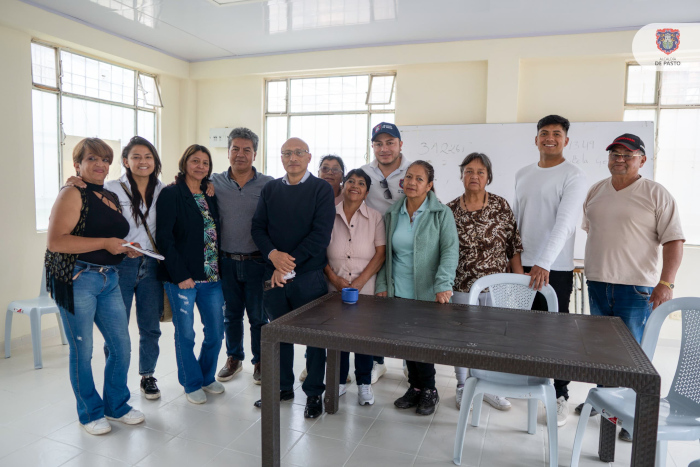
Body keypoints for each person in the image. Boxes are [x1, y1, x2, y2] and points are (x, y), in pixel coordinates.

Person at [576, 134, 684, 441]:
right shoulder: (596, 190)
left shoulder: (655, 193)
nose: (619, 159)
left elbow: (674, 240)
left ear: (642, 160)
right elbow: (595, 233)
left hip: (636, 289)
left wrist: (666, 283)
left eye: (627, 154)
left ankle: (634, 417)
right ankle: (605, 400)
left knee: (633, 356)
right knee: (601, 351)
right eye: (615, 153)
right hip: (597, 283)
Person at [45, 137, 145, 435]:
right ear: (78, 164)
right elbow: (57, 241)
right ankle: (89, 412)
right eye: (92, 159)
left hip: (109, 278)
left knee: (121, 346)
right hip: (79, 279)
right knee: (83, 350)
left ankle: (117, 405)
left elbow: (107, 236)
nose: (100, 165)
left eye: (105, 160)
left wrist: (125, 246)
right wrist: (105, 243)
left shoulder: (107, 196)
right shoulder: (72, 192)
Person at [66, 136, 166, 400]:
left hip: (152, 264)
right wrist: (72, 181)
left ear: (155, 161)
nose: (142, 162)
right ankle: (115, 383)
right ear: (125, 161)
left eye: (148, 157)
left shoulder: (163, 189)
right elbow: (84, 194)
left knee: (150, 326)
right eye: (136, 157)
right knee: (116, 332)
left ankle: (148, 375)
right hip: (119, 266)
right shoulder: (111, 188)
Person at [251, 137, 335, 418]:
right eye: (286, 153)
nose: (293, 158)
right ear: (282, 158)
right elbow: (258, 227)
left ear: (309, 157)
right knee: (279, 334)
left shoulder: (321, 189)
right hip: (273, 276)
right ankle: (282, 387)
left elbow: (320, 235)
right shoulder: (271, 189)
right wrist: (273, 255)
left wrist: (285, 265)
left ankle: (313, 393)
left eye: (298, 153)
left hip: (308, 277)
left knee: (314, 338)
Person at [512, 114, 588, 427]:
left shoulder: (573, 175)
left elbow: (566, 223)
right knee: (522, 333)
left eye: (557, 134)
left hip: (553, 268)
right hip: (522, 267)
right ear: (536, 139)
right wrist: (515, 260)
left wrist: (542, 262)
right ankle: (531, 385)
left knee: (553, 336)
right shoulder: (523, 173)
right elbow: (515, 221)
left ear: (566, 140)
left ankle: (560, 396)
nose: (550, 138)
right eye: (544, 133)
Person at [376, 160, 459, 416]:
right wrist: (382, 284)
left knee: (422, 342)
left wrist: (443, 283)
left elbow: (449, 250)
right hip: (398, 288)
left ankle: (430, 390)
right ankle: (415, 387)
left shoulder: (441, 213)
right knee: (405, 342)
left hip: (427, 290)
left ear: (430, 185)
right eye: (409, 177)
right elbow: (386, 253)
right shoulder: (393, 213)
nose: (411, 182)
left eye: (419, 179)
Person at [447, 152, 524, 411]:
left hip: (497, 285)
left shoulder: (501, 206)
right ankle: (462, 385)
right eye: (469, 171)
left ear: (488, 177)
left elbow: (513, 247)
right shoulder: (450, 210)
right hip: (461, 285)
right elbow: (445, 251)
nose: (474, 176)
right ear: (461, 175)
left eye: (480, 172)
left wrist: (517, 282)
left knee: (491, 339)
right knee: (462, 338)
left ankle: (489, 386)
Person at [156, 144, 225, 404]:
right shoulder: (171, 194)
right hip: (183, 279)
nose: (200, 166)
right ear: (184, 163)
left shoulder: (210, 194)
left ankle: (207, 376)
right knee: (185, 334)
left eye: (205, 163)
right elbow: (164, 237)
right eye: (195, 161)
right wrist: (179, 274)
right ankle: (191, 382)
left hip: (212, 277)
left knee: (216, 333)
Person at [211, 128, 273, 385]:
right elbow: (184, 185)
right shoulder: (214, 181)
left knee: (259, 317)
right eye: (235, 149)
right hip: (225, 260)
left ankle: (260, 361)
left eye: (246, 149)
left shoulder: (268, 184)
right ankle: (234, 358)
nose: (240, 154)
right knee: (231, 315)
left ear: (255, 154)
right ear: (228, 152)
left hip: (257, 262)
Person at [324, 168, 386, 406]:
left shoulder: (375, 217)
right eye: (351, 181)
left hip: (365, 288)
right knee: (336, 336)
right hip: (333, 286)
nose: (355, 186)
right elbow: (320, 252)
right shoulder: (328, 214)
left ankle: (364, 384)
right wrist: (335, 280)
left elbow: (380, 255)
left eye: (361, 183)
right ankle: (338, 381)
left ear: (366, 192)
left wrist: (359, 283)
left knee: (363, 337)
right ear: (344, 185)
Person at [360, 122, 411, 383]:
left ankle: (408, 359)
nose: (385, 148)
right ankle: (377, 360)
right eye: (378, 143)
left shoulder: (412, 171)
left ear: (400, 144)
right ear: (373, 146)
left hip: (406, 245)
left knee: (405, 304)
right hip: (374, 246)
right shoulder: (364, 172)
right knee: (376, 304)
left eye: (390, 142)